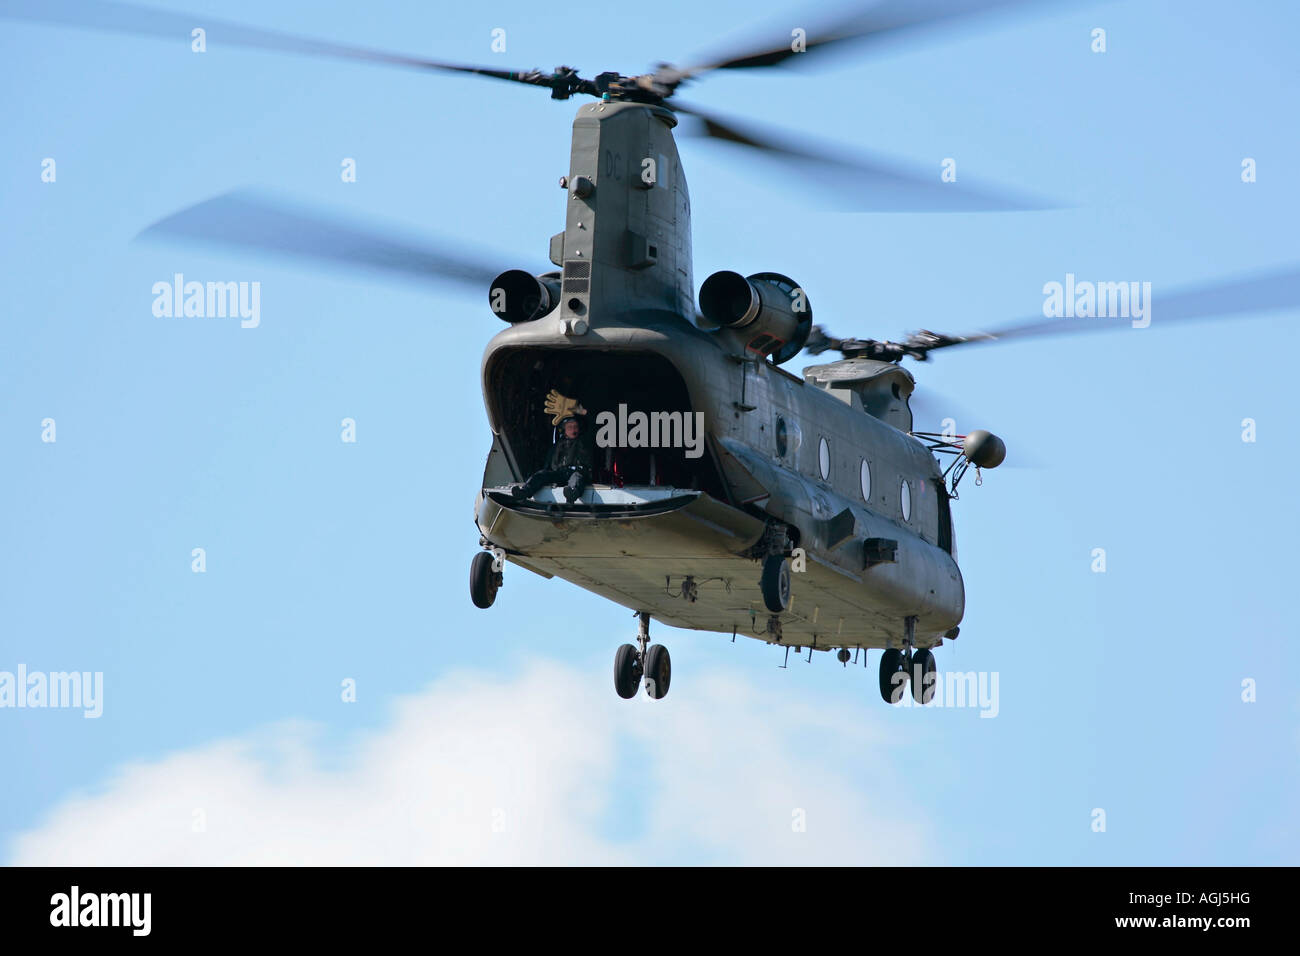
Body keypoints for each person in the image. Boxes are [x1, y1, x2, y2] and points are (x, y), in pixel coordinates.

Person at [511, 415, 593, 504]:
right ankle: (524, 492)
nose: (573, 430)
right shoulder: (557, 446)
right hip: (560, 473)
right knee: (541, 475)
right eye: (570, 427)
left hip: (576, 473)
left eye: (575, 427)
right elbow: (550, 463)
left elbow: (589, 462)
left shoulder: (584, 444)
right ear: (564, 430)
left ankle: (572, 493)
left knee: (576, 478)